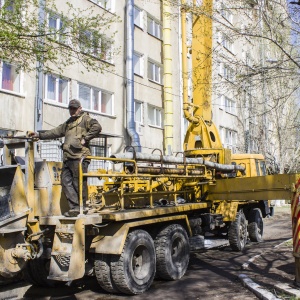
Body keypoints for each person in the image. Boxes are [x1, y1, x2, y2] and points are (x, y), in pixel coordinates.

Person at [28, 99, 102, 217]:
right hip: (68, 157)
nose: (72, 111)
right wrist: (39, 135)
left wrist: (86, 138)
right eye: (70, 108)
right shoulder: (68, 123)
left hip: (80, 156)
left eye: (74, 108)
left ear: (80, 108)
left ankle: (82, 207)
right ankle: (75, 207)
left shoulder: (86, 119)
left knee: (78, 182)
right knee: (65, 181)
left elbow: (97, 127)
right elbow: (55, 132)